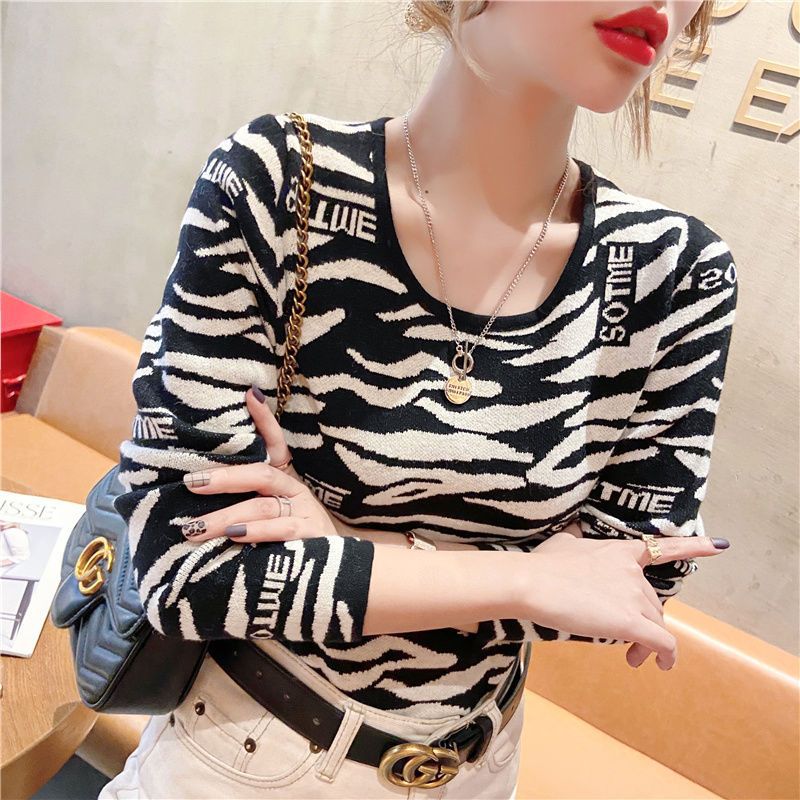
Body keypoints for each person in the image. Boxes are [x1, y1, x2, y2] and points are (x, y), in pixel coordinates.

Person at [98, 1, 739, 798]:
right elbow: (184, 568)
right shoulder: (280, 185)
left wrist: (341, 544)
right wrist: (528, 579)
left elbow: (634, 582)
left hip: (480, 767)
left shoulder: (673, 273)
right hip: (247, 755)